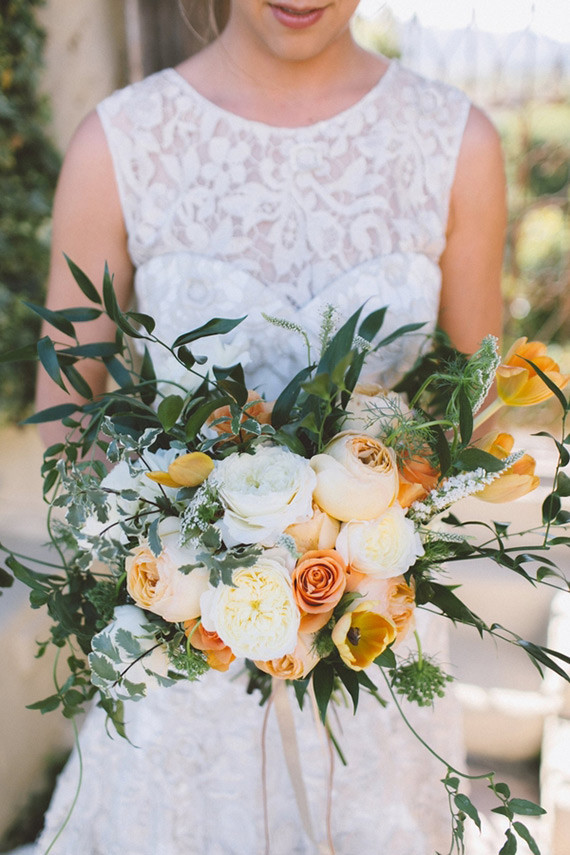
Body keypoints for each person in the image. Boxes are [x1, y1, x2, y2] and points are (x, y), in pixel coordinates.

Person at [34, 2, 507, 853]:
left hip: (373, 643)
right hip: (183, 653)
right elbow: (65, 414)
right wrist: (183, 568)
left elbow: (472, 409)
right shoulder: (121, 144)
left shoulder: (458, 144)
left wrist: (359, 538)